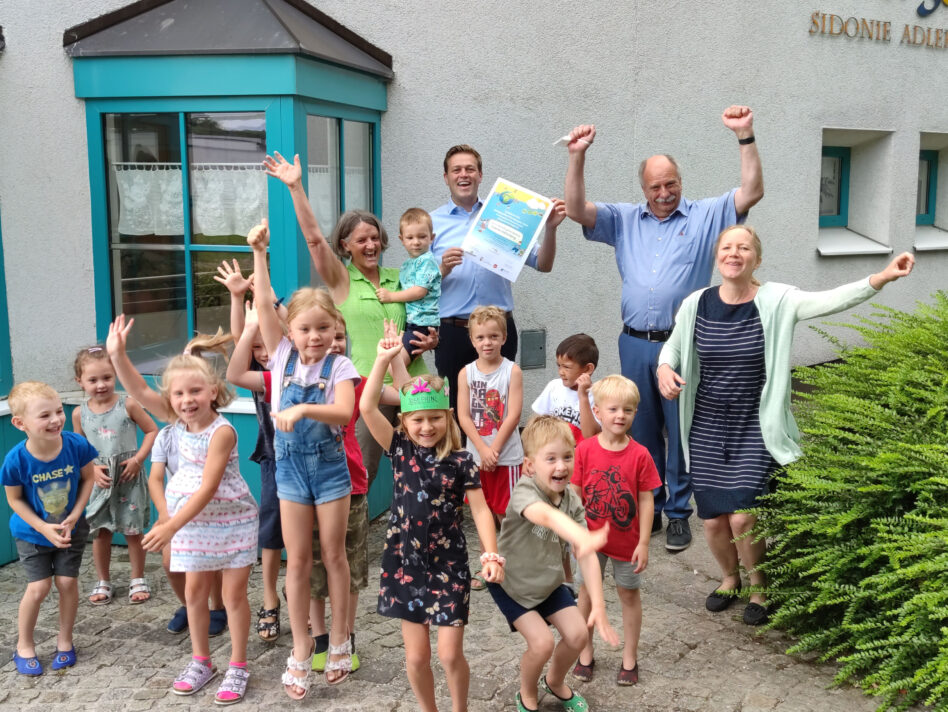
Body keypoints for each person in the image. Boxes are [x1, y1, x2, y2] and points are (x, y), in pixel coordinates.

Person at [657, 225, 915, 625]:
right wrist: (663, 368)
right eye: (727, 247)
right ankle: (730, 579)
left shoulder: (777, 299)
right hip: (706, 423)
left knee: (742, 516)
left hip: (755, 424)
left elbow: (830, 300)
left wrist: (879, 278)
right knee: (711, 520)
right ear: (717, 258)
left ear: (756, 259)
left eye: (744, 248)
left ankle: (759, 587)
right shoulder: (697, 303)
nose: (734, 253)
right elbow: (673, 345)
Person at [563, 105, 765, 552]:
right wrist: (577, 156)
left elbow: (752, 190)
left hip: (685, 344)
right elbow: (576, 209)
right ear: (643, 188)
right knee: (639, 426)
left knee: (683, 428)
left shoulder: (707, 215)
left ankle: (678, 512)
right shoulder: (624, 219)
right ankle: (649, 506)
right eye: (655, 186)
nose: (664, 192)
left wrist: (744, 135)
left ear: (680, 181)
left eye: (670, 183)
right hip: (634, 340)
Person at [263, 152, 437, 492]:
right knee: (360, 475)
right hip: (365, 389)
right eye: (361, 240)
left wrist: (431, 341)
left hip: (411, 388)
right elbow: (314, 239)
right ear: (345, 245)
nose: (370, 245)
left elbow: (425, 316)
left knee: (424, 470)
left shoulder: (401, 277)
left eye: (374, 237)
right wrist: (296, 187)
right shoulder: (341, 280)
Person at [107, 321, 259, 704]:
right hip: (189, 521)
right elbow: (139, 390)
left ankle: (238, 665)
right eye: (178, 393)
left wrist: (170, 525)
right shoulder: (174, 423)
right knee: (193, 592)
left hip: (230, 520)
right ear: (170, 398)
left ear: (213, 391)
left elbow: (209, 487)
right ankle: (201, 661)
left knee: (234, 594)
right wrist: (117, 355)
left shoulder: (222, 431)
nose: (187, 399)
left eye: (195, 391)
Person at [360, 336, 503, 712]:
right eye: (418, 419)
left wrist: (491, 553)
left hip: (449, 566)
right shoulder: (399, 449)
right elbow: (366, 405)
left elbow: (481, 510)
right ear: (405, 421)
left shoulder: (462, 462)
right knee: (417, 659)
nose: (427, 427)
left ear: (448, 417)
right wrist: (383, 359)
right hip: (405, 566)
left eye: (435, 418)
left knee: (450, 655)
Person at [249, 219, 359, 695]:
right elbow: (261, 306)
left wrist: (303, 407)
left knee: (333, 555)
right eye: (305, 329)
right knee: (297, 560)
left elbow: (343, 412)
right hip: (290, 469)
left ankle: (338, 639)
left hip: (330, 467)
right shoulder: (278, 355)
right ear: (288, 330)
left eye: (322, 328)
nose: (314, 336)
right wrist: (259, 253)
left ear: (335, 326)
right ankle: (301, 646)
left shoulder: (341, 364)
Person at [488, 415, 619, 712]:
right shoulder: (525, 490)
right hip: (511, 584)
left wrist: (597, 604)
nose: (561, 466)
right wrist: (581, 536)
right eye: (551, 458)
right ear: (530, 465)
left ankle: (555, 681)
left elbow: (584, 554)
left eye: (567, 457)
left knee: (576, 635)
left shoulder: (571, 499)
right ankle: (526, 693)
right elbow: (545, 517)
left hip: (548, 583)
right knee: (542, 643)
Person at [431, 144, 566, 415]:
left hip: (499, 331)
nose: (463, 174)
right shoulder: (431, 223)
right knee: (456, 413)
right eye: (456, 170)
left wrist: (550, 229)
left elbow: (544, 264)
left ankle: (496, 459)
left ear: (481, 175)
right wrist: (442, 269)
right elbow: (417, 284)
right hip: (453, 332)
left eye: (470, 168)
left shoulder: (506, 215)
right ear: (446, 177)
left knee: (499, 411)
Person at [307, 316, 409, 674]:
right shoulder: (298, 384)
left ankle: (344, 636)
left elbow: (408, 397)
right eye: (325, 335)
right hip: (308, 490)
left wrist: (393, 356)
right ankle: (318, 636)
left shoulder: (357, 381)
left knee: (347, 567)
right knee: (313, 566)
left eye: (339, 336)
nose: (333, 343)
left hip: (351, 486)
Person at [570, 375, 661, 686]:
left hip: (627, 542)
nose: (620, 416)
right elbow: (574, 492)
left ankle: (629, 657)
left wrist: (645, 542)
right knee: (585, 593)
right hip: (590, 540)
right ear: (597, 411)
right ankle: (585, 651)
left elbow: (647, 500)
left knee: (629, 594)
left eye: (628, 410)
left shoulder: (640, 455)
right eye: (613, 409)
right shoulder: (584, 450)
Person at [3, 382, 97, 676]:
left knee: (67, 583)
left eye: (58, 411)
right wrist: (43, 527)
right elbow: (14, 500)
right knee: (39, 587)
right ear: (20, 423)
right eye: (44, 415)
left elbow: (88, 479)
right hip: (32, 533)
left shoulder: (76, 445)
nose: (56, 419)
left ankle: (65, 641)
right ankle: (25, 645)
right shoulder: (16, 460)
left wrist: (77, 514)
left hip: (72, 528)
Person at [218, 260, 286, 644]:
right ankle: (270, 598)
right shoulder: (258, 377)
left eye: (265, 345)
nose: (260, 353)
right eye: (254, 347)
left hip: (306, 460)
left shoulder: (287, 367)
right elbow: (239, 339)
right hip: (273, 458)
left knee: (305, 535)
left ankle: (304, 598)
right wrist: (236, 296)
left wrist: (265, 292)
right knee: (272, 531)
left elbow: (280, 327)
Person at [72, 346, 158, 606]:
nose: (101, 385)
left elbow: (152, 430)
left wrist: (138, 460)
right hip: (101, 479)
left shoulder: (128, 404)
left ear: (116, 376)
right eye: (93, 380)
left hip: (128, 477)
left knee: (133, 531)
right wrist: (92, 469)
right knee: (100, 532)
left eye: (107, 378)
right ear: (80, 382)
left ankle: (137, 578)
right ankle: (103, 579)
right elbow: (80, 449)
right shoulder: (79, 413)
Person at [148, 420, 227, 636]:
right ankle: (189, 604)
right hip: (174, 510)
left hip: (206, 509)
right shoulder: (165, 436)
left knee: (207, 563)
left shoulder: (214, 432)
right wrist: (165, 515)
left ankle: (218, 606)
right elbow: (155, 479)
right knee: (169, 561)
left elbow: (210, 485)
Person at [457, 306, 525, 531]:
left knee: (507, 515)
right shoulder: (466, 373)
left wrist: (493, 450)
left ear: (504, 338)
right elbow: (464, 416)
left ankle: (511, 562)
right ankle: (489, 561)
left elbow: (513, 415)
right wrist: (483, 451)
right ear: (472, 340)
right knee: (482, 513)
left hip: (505, 457)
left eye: (494, 336)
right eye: (481, 337)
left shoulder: (512, 371)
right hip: (477, 457)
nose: (487, 342)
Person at [376, 207, 442, 363]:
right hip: (412, 322)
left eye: (422, 237)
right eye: (410, 237)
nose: (416, 242)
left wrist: (391, 297)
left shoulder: (427, 261)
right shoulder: (408, 264)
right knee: (396, 363)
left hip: (422, 325)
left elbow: (419, 291)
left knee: (396, 365)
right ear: (402, 239)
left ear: (431, 238)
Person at [531, 333, 601, 444]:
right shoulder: (554, 387)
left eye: (567, 367)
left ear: (588, 369)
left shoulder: (598, 396)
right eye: (559, 365)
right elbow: (536, 424)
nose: (561, 372)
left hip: (581, 457)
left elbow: (590, 436)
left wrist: (583, 397)